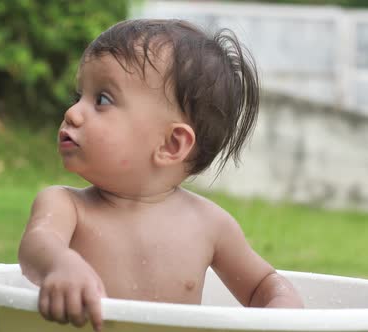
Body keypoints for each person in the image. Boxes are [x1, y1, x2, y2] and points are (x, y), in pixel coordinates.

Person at [18, 18, 303, 332]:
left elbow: (263, 284)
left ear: (171, 144)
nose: (72, 112)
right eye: (78, 97)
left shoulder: (210, 226)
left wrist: (282, 309)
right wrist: (61, 265)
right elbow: (37, 245)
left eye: (102, 100)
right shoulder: (65, 205)